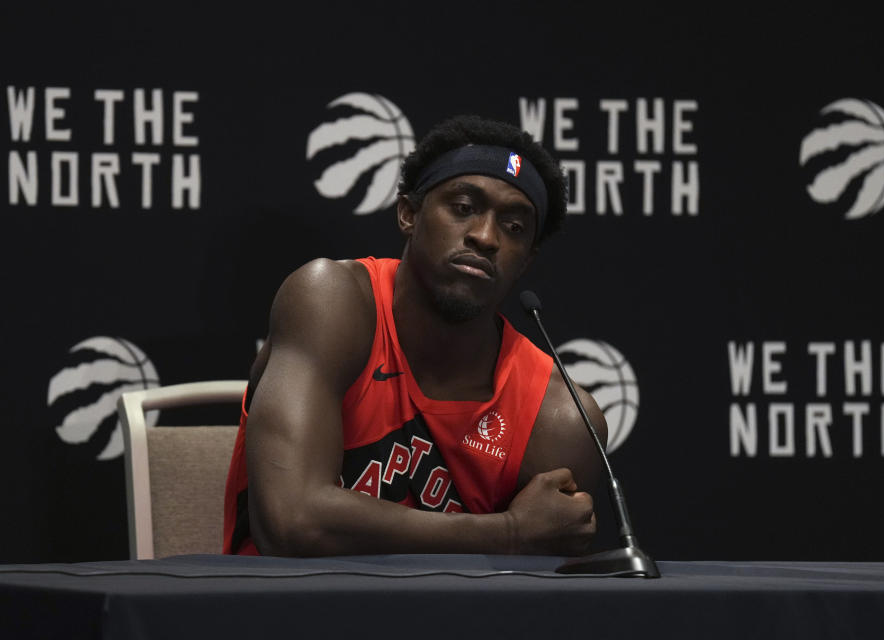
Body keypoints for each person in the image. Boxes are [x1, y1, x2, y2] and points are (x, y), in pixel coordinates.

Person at [223, 115, 607, 557]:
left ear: (526, 260)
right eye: (463, 207)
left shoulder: (557, 416)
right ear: (408, 213)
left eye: (514, 227)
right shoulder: (331, 302)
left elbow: (535, 608)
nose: (485, 237)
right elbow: (290, 522)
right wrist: (507, 533)